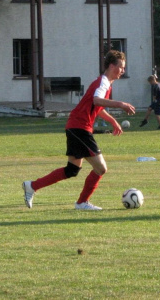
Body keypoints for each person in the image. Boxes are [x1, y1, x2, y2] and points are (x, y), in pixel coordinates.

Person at [22, 50, 135, 210]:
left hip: (77, 126)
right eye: (121, 67)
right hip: (79, 127)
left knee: (72, 169)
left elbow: (98, 106)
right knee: (101, 168)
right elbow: (97, 100)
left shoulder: (105, 83)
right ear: (111, 66)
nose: (123, 71)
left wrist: (113, 121)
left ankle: (32, 186)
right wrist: (121, 104)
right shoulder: (103, 82)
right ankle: (82, 202)